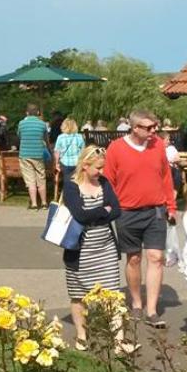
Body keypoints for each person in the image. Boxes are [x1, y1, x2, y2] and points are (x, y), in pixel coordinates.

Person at [104, 109, 176, 328]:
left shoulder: (158, 147)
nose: (154, 131)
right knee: (133, 259)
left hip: (155, 210)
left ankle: (152, 310)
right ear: (135, 128)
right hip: (127, 212)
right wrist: (110, 207)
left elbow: (166, 177)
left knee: (155, 257)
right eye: (149, 127)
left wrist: (171, 206)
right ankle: (136, 302)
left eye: (156, 126)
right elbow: (109, 180)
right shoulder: (116, 148)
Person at [62, 146, 129, 352]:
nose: (102, 172)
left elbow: (116, 210)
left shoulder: (105, 183)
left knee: (112, 294)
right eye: (98, 168)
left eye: (103, 167)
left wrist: (96, 213)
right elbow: (80, 215)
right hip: (79, 251)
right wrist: (102, 210)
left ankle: (119, 342)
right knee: (78, 295)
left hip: (105, 248)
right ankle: (82, 334)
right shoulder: (72, 187)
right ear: (85, 165)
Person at [18, 103, 50, 210]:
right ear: (37, 113)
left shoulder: (21, 123)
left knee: (30, 180)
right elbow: (46, 139)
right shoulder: (42, 124)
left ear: (27, 112)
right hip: (38, 153)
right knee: (41, 178)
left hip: (25, 154)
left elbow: (19, 136)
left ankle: (34, 204)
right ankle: (45, 203)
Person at [54, 117, 85, 185]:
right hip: (77, 163)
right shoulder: (79, 137)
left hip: (65, 163)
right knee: (77, 181)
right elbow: (83, 151)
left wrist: (56, 164)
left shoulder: (60, 137)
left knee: (67, 180)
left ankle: (68, 192)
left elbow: (57, 152)